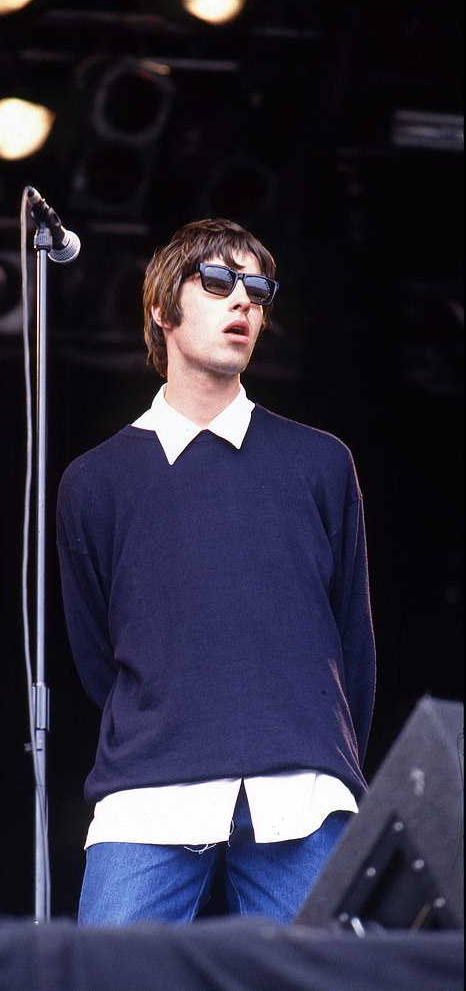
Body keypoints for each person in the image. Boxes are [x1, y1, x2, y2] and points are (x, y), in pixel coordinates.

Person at [55, 218, 376, 927]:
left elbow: (352, 643)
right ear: (162, 310)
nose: (244, 303)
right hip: (148, 789)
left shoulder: (320, 462)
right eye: (219, 282)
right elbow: (95, 654)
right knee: (102, 984)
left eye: (258, 290)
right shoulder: (96, 481)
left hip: (303, 788)